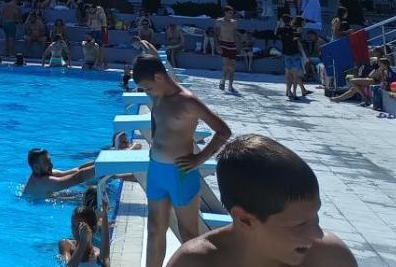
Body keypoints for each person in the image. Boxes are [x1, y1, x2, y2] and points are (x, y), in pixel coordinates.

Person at [166, 134, 356, 266]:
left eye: (316, 217)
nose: (317, 234)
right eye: (300, 225)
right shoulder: (195, 263)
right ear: (245, 219)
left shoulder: (330, 258)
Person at [131, 56, 234, 267]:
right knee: (154, 228)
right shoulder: (157, 96)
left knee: (188, 233)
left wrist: (199, 158)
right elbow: (158, 120)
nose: (147, 92)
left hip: (181, 173)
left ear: (159, 77)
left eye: (148, 88)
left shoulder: (187, 101)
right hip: (156, 170)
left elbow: (223, 131)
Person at [58, 188, 111, 265]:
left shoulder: (97, 254)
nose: (76, 230)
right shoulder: (66, 244)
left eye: (81, 226)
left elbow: (105, 258)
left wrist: (105, 213)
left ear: (93, 229)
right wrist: (82, 243)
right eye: (73, 226)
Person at [22, 147, 95, 200]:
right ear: (36, 167)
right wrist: (100, 167)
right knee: (86, 198)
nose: (51, 165)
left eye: (49, 161)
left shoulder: (42, 172)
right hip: (41, 203)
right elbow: (77, 178)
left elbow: (77, 170)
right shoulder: (43, 182)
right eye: (46, 162)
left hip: (49, 196)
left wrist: (97, 162)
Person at [277, 15, 306, 100]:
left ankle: (288, 91)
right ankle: (294, 93)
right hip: (295, 53)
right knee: (295, 75)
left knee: (288, 74)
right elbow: (298, 41)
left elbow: (276, 34)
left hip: (286, 53)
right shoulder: (296, 30)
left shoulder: (281, 30)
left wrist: (278, 25)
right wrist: (304, 55)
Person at [214, 7, 240, 93]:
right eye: (230, 13)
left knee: (232, 66)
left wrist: (238, 45)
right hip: (223, 44)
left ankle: (230, 85)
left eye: (232, 13)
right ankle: (223, 81)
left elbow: (235, 34)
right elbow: (216, 34)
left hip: (232, 45)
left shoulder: (234, 22)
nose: (231, 15)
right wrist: (217, 45)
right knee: (227, 64)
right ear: (225, 12)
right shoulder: (219, 21)